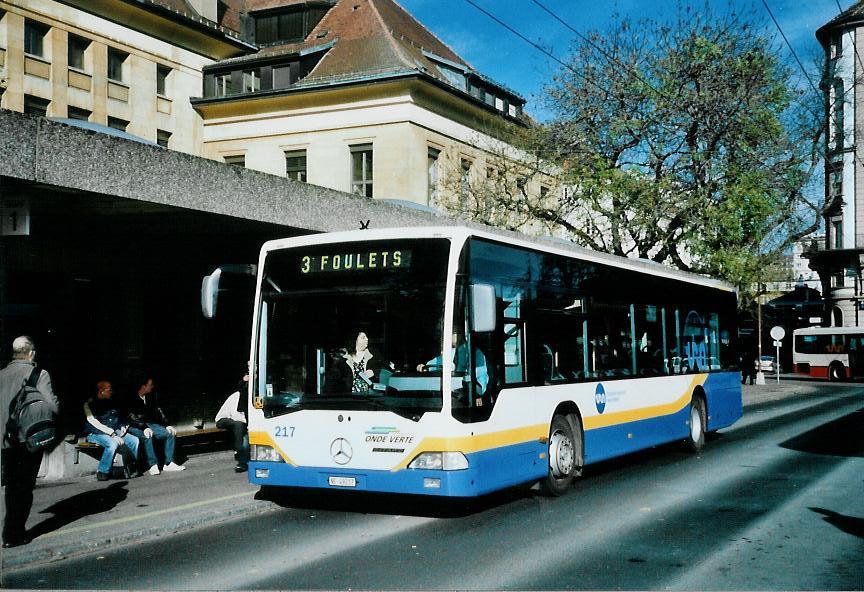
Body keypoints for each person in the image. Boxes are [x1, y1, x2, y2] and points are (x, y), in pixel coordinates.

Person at [0, 336, 60, 548]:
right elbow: (53, 407)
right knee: (24, 488)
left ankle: (9, 532)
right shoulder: (39, 374)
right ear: (31, 353)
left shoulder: (2, 374)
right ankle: (14, 534)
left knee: (11, 487)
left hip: (5, 441)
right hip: (27, 439)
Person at [126, 376, 185, 474]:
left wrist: (167, 425)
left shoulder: (151, 396)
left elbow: (158, 411)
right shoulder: (131, 398)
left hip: (148, 424)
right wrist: (144, 427)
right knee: (148, 435)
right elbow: (131, 417)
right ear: (143, 386)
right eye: (150, 385)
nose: (152, 387)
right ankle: (153, 465)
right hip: (134, 425)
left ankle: (168, 463)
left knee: (169, 433)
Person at [83, 381, 139, 482]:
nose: (111, 392)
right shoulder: (89, 404)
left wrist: (122, 426)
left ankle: (130, 468)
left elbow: (119, 418)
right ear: (101, 391)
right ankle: (102, 471)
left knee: (134, 440)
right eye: (109, 390)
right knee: (112, 443)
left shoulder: (111, 402)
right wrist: (113, 434)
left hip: (113, 431)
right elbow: (94, 423)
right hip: (96, 433)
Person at [417, 332, 489, 394]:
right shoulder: (449, 353)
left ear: (459, 334)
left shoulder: (475, 353)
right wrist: (424, 367)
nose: (446, 335)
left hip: (466, 396)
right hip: (449, 393)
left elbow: (481, 378)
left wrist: (477, 394)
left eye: (451, 332)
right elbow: (433, 365)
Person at [215, 375, 250, 473]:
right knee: (242, 431)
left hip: (244, 425)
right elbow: (221, 418)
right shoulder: (236, 396)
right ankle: (241, 459)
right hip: (228, 420)